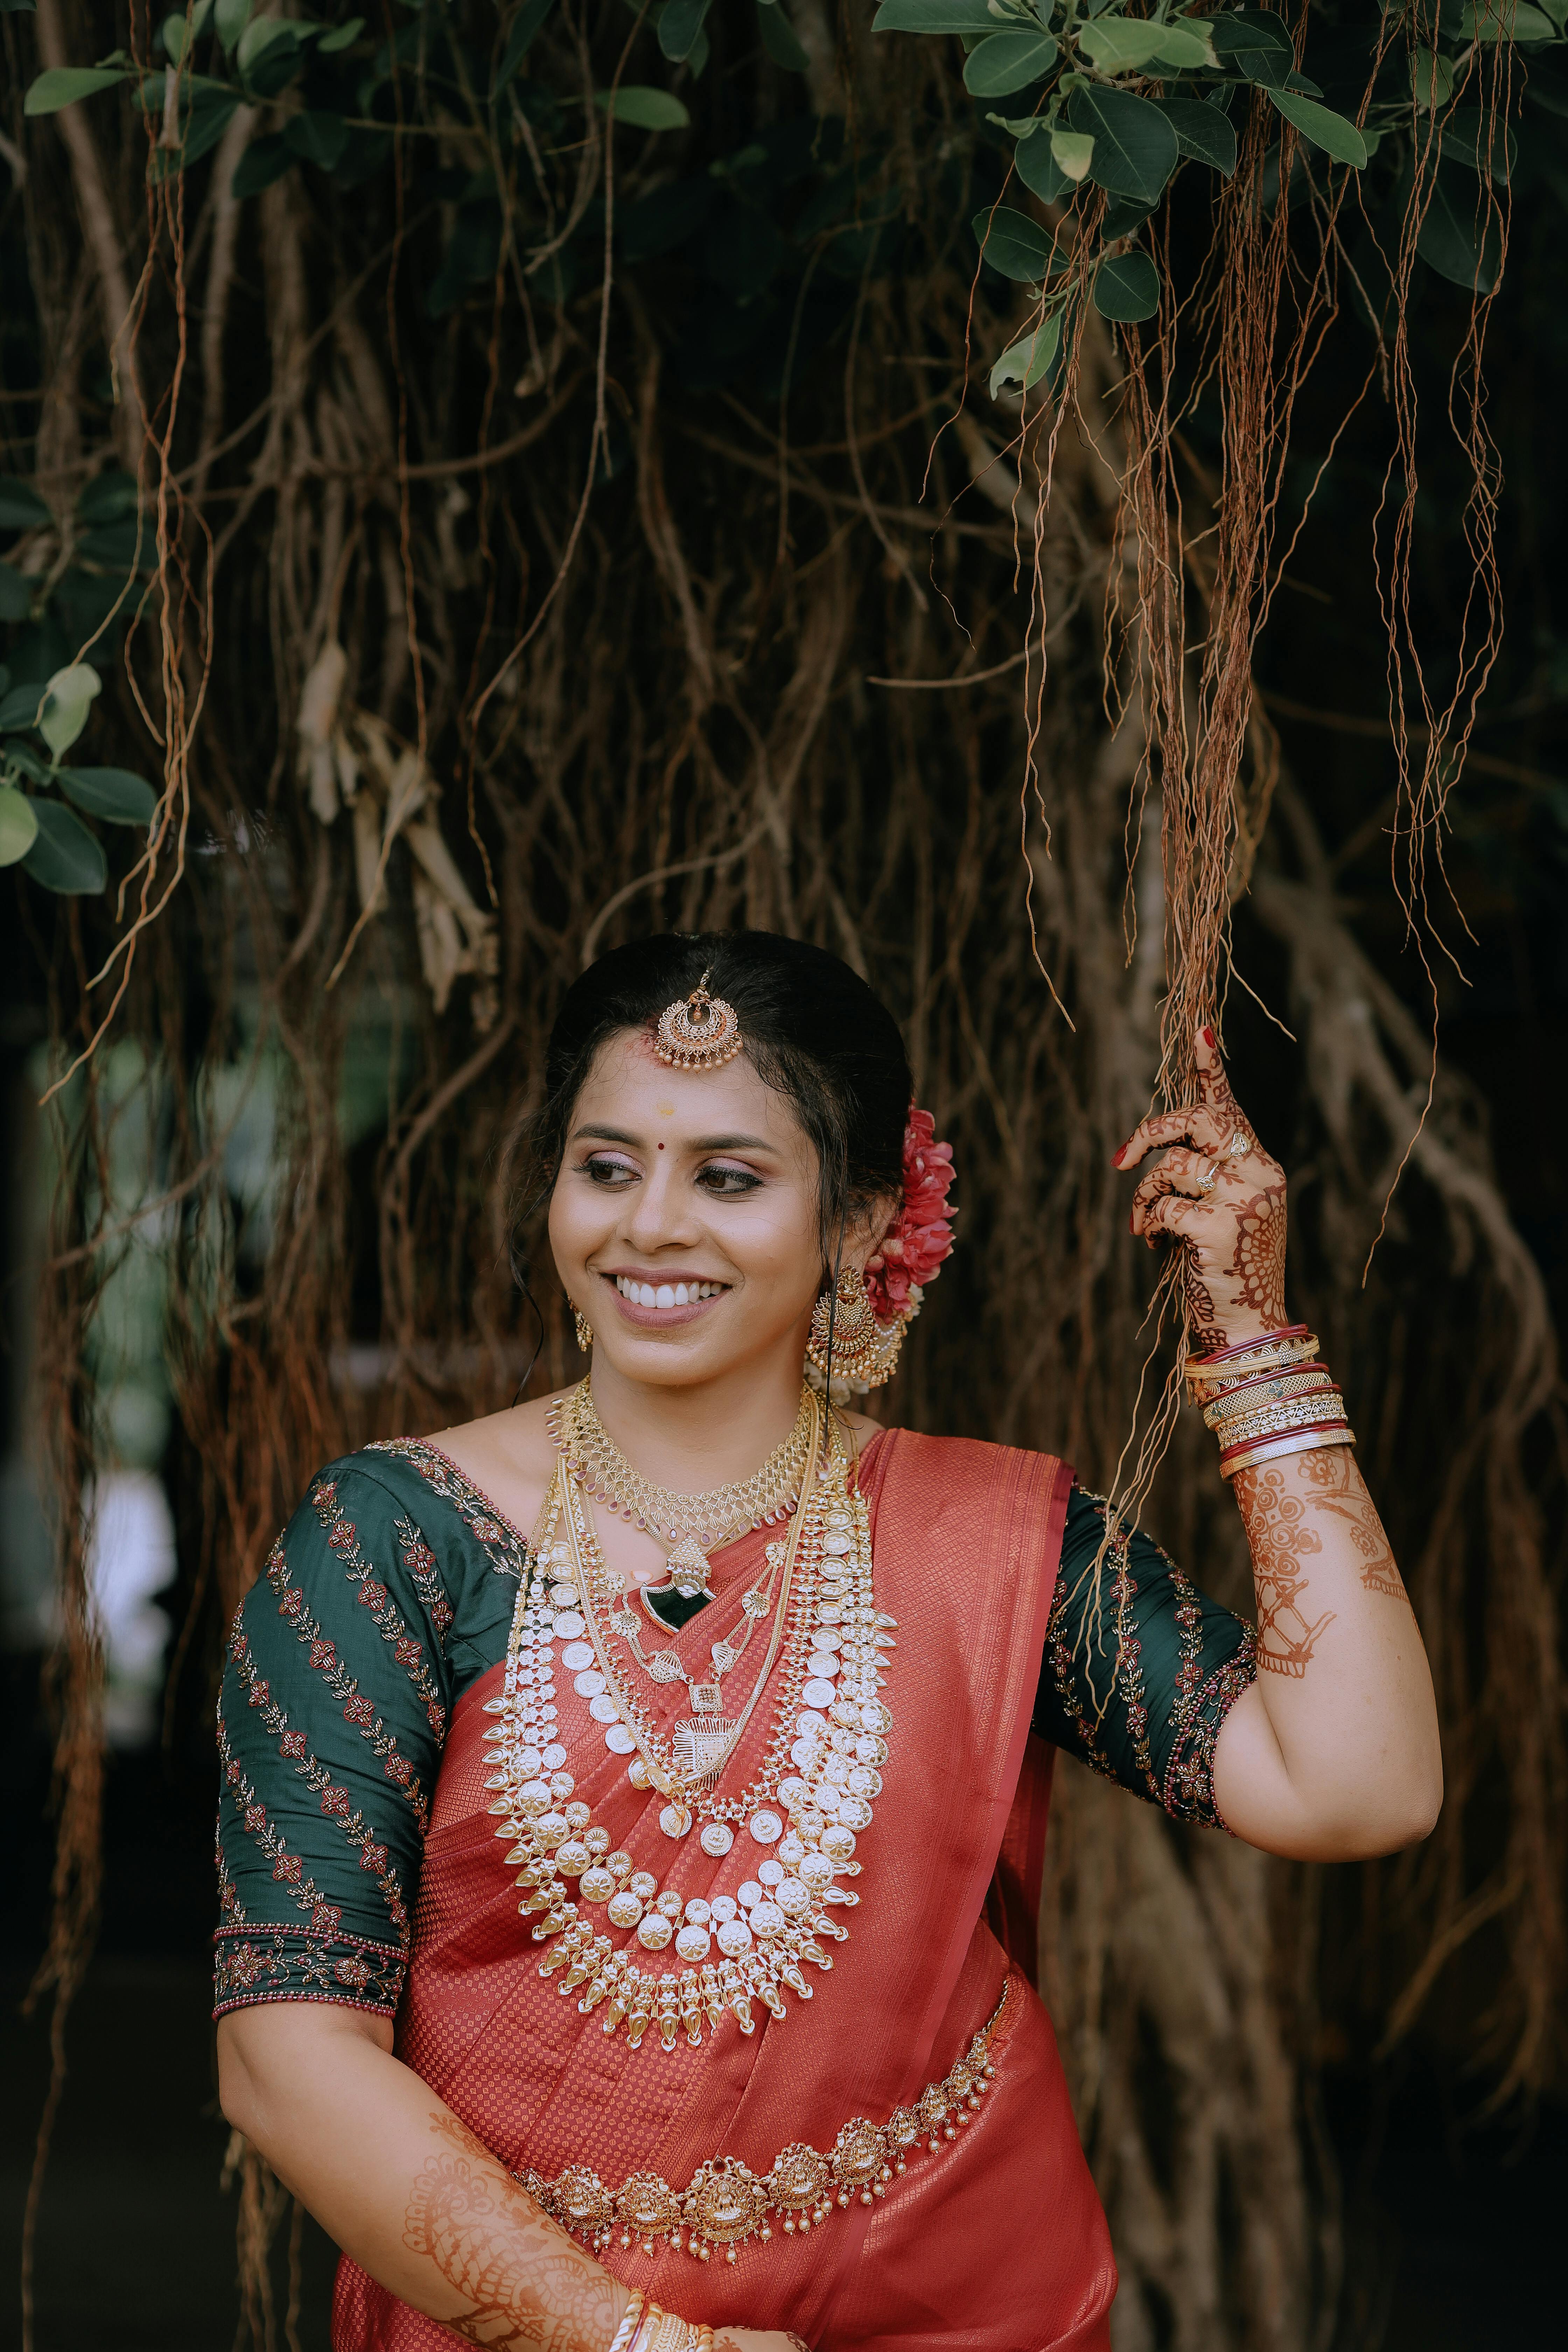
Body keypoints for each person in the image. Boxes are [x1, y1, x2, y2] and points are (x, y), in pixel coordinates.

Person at [213, 932, 1442, 2352]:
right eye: (606, 1166)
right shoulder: (394, 1541)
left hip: (950, 2311)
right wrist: (630, 2344)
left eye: (729, 1179)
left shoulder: (1002, 1545)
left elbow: (1360, 1786)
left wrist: (1249, 1336)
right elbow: (284, 2057)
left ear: (862, 1225)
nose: (649, 1226)